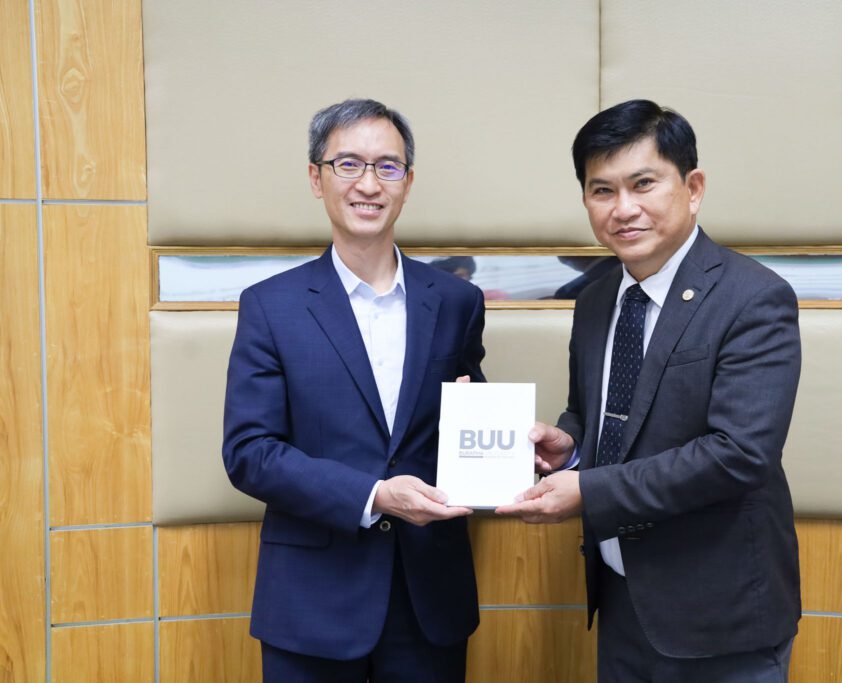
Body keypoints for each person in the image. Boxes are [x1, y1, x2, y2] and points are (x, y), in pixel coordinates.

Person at [496, 99, 802, 682]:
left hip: (718, 612)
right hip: (620, 598)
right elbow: (597, 411)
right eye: (602, 190)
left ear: (693, 187)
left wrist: (588, 490)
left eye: (643, 184)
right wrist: (570, 446)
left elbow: (740, 454)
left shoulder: (753, 297)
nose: (623, 209)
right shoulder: (594, 300)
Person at [223, 99, 485, 682]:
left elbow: (466, 417)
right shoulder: (270, 306)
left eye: (388, 166)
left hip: (429, 600)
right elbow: (249, 453)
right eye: (348, 164)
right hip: (312, 602)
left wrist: (511, 448)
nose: (369, 184)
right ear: (316, 178)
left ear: (407, 183)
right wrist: (375, 495)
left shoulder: (455, 301)